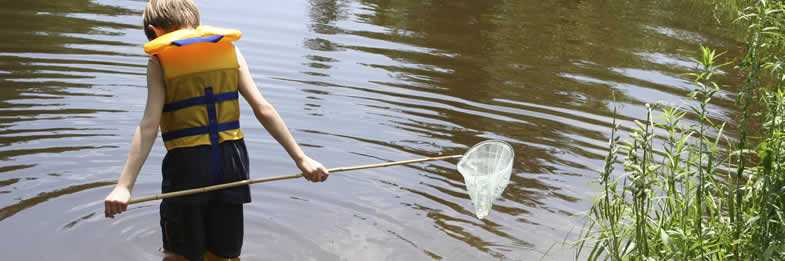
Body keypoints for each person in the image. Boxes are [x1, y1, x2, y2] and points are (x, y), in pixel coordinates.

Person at [103, 0, 329, 260]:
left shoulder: (159, 61)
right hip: (231, 162)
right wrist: (302, 159)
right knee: (225, 254)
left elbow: (149, 125)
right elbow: (263, 108)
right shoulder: (229, 50)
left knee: (180, 254)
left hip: (187, 167)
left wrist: (124, 186)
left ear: (154, 31)